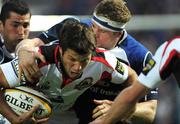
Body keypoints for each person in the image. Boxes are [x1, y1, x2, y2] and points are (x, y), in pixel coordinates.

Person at [15, 0, 157, 123]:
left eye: (101, 31)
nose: (93, 34)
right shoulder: (75, 29)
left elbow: (150, 111)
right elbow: (32, 43)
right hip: (68, 115)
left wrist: (117, 109)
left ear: (118, 34)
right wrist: (23, 50)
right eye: (93, 26)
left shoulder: (140, 57)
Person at [0, 19, 137, 123]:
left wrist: (128, 107)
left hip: (65, 117)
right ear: (60, 50)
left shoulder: (104, 61)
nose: (77, 67)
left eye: (84, 60)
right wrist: (13, 119)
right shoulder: (36, 60)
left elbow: (131, 76)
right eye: (72, 59)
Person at [89, 37, 180, 124]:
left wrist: (112, 114)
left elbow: (131, 96)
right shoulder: (172, 49)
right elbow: (132, 96)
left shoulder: (172, 48)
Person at [0, 0, 31, 123]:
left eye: (25, 25)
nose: (21, 32)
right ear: (1, 26)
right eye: (15, 25)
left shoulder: (34, 54)